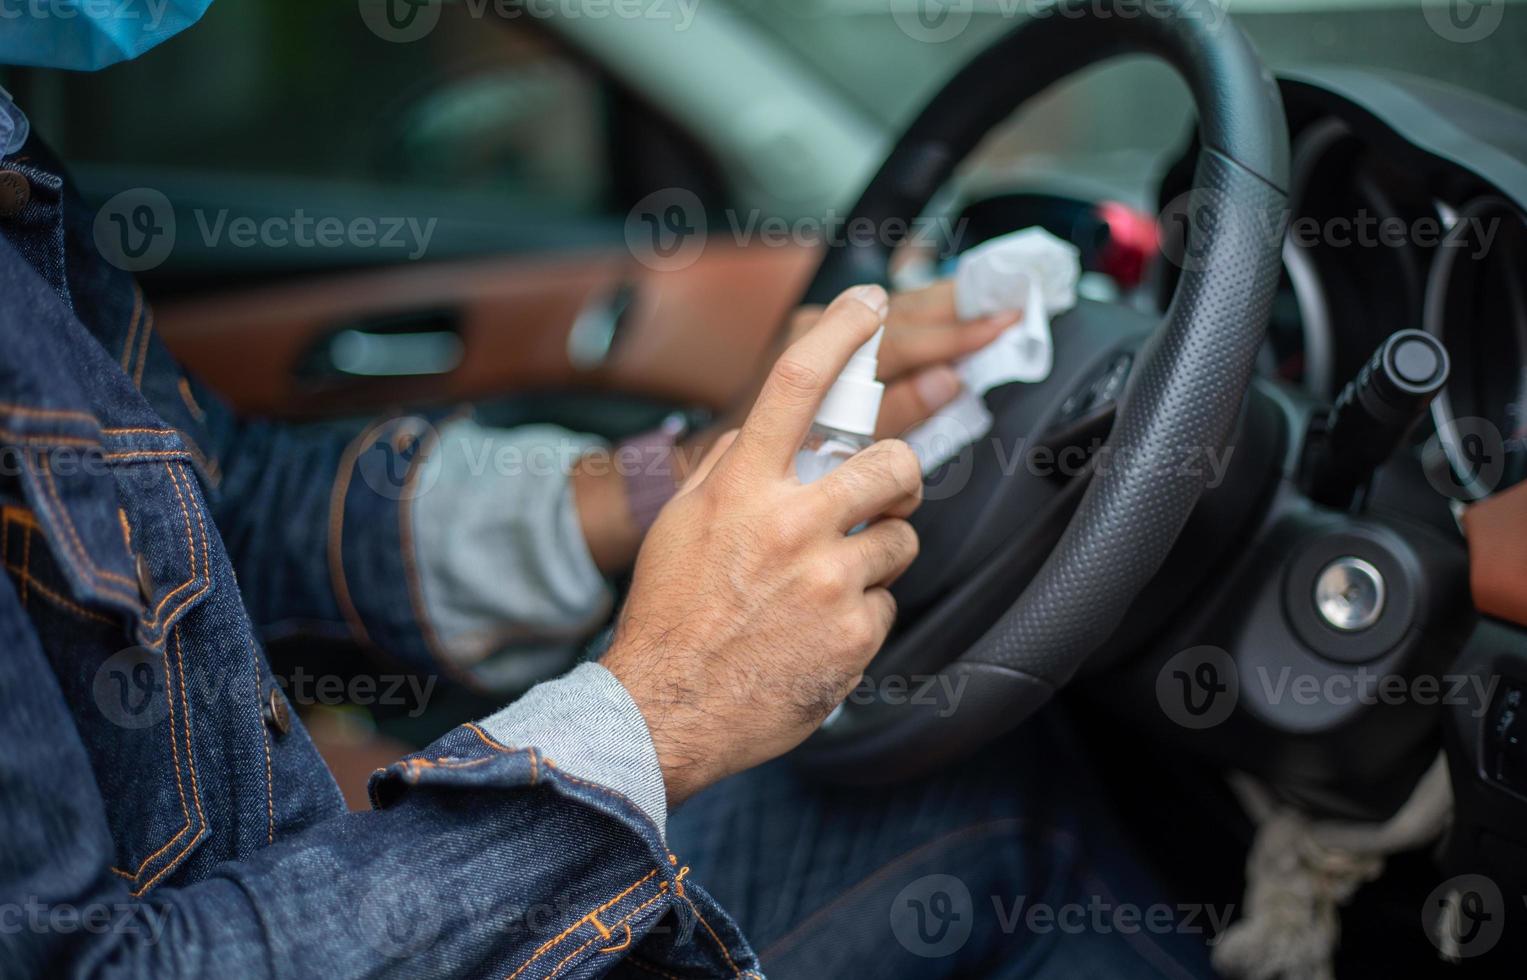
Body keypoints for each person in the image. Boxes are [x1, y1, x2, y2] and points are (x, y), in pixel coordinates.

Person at [0, 11, 1219, 979]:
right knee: (1008, 820)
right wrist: (660, 711)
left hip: (314, 882)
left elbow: (240, 512)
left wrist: (682, 471)